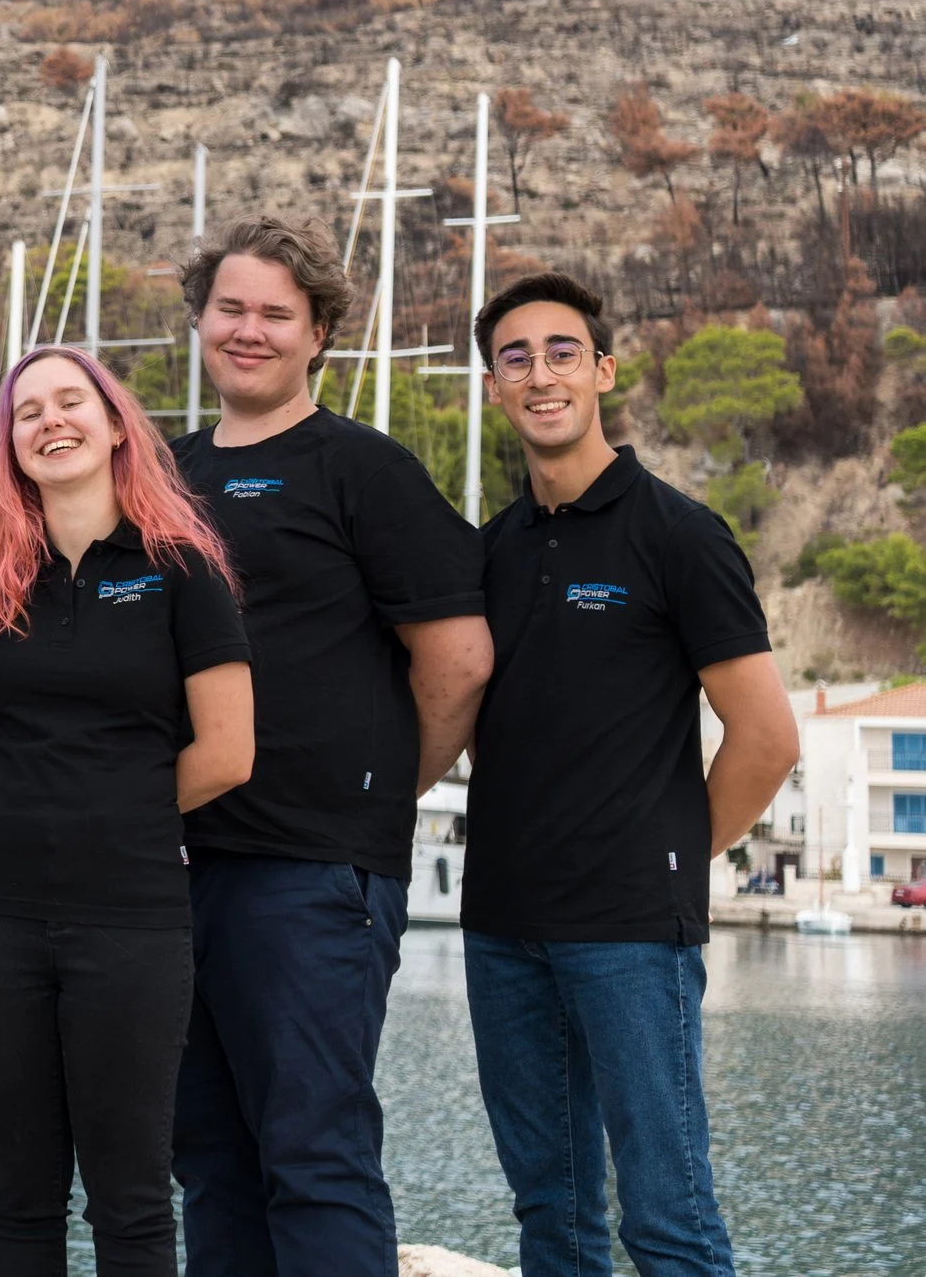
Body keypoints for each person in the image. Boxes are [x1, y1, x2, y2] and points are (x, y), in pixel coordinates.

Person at [166, 215, 493, 1277]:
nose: (248, 330)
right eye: (230, 308)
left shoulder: (362, 467)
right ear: (199, 320)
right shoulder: (157, 476)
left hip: (312, 873)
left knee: (313, 1152)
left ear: (318, 335)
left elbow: (457, 661)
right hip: (171, 868)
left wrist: (380, 791)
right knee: (208, 1157)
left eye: (275, 313)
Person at [464, 273, 797, 1277]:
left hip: (629, 929)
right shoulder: (485, 553)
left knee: (666, 1218)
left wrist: (670, 852)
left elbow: (766, 736)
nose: (539, 372)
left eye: (561, 350)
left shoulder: (678, 534)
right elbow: (486, 720)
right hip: (501, 921)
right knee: (551, 1218)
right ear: (492, 387)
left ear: (602, 370)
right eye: (514, 356)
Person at [0, 345, 254, 1277]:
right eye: (26, 412)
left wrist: (117, 812)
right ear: (8, 443)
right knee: (17, 1197)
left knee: (132, 1198)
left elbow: (229, 751)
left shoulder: (183, 570)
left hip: (131, 918)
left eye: (71, 402)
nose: (49, 421)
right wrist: (30, 802)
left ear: (116, 424)